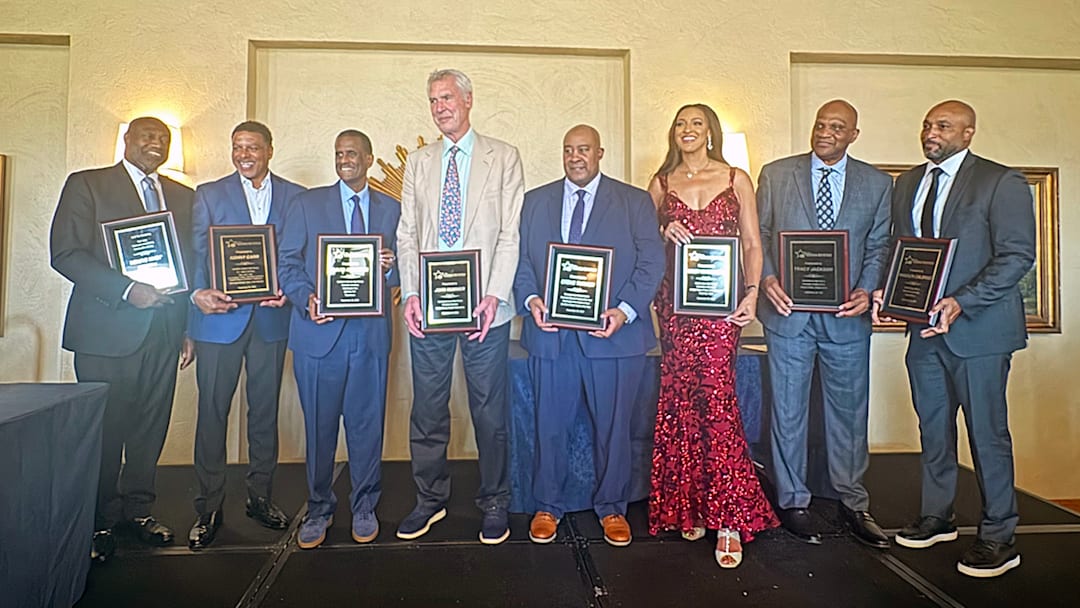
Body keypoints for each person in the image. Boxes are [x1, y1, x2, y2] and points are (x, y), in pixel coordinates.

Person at [873, 100, 1034, 578]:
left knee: (987, 434)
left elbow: (1016, 255)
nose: (931, 132)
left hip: (979, 332)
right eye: (926, 124)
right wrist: (888, 288)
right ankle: (937, 517)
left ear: (968, 133)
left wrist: (962, 301)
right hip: (923, 331)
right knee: (933, 430)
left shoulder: (1000, 181)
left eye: (943, 125)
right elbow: (900, 251)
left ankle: (999, 536)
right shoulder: (905, 183)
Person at [50, 117, 195, 561]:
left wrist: (187, 328)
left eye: (163, 139)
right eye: (147, 136)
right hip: (106, 335)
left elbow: (188, 267)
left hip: (164, 333)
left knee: (150, 430)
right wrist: (127, 290)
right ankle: (97, 522)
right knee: (105, 433)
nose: (156, 144)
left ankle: (138, 512)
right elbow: (65, 253)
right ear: (127, 140)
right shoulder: (88, 185)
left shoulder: (183, 197)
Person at [515, 125, 664, 547]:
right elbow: (523, 262)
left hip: (614, 338)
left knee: (615, 429)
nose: (575, 156)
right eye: (568, 150)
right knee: (549, 425)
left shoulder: (634, 202)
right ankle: (547, 505)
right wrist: (531, 302)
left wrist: (625, 310)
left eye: (583, 149)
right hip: (552, 337)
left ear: (600, 152)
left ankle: (613, 508)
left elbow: (652, 263)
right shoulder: (534, 202)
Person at [395, 68, 525, 545]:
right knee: (427, 409)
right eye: (432, 100)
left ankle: (495, 501)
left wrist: (494, 295)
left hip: (486, 309)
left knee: (489, 412)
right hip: (428, 308)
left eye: (447, 97)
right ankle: (429, 500)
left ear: (469, 100)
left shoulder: (504, 157)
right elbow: (407, 233)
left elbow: (511, 233)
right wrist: (411, 293)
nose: (440, 107)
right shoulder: (419, 161)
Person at [757, 100, 893, 549]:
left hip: (847, 320)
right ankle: (792, 499)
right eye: (820, 125)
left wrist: (867, 289)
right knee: (788, 412)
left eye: (837, 127)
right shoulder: (777, 174)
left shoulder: (876, 184)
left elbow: (878, 245)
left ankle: (853, 503)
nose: (826, 132)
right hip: (789, 315)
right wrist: (767, 279)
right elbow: (755, 236)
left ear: (854, 134)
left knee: (850, 416)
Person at [648, 103, 778, 568]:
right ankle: (689, 505)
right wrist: (664, 227)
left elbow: (752, 243)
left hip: (721, 313)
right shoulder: (661, 184)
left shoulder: (735, 178)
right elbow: (644, 241)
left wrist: (751, 294)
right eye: (680, 123)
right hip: (676, 310)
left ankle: (728, 517)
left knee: (718, 403)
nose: (687, 130)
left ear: (710, 132)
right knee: (681, 401)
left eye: (695, 123)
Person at [186, 121, 305, 550]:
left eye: (252, 146)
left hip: (271, 320)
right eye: (237, 147)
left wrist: (288, 294)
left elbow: (301, 255)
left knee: (263, 414)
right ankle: (209, 507)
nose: (243, 154)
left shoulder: (296, 196)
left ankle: (261, 498)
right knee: (212, 414)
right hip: (219, 321)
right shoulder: (210, 194)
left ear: (270, 150)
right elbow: (198, 254)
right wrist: (197, 296)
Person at [277, 130, 399, 549]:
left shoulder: (392, 210)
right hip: (317, 336)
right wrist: (306, 299)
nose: (344, 159)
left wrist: (388, 268)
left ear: (369, 158)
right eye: (339, 154)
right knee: (320, 428)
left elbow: (406, 270)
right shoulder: (307, 204)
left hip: (369, 338)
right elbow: (287, 262)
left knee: (367, 428)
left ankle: (364, 506)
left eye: (352, 154)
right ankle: (318, 509)